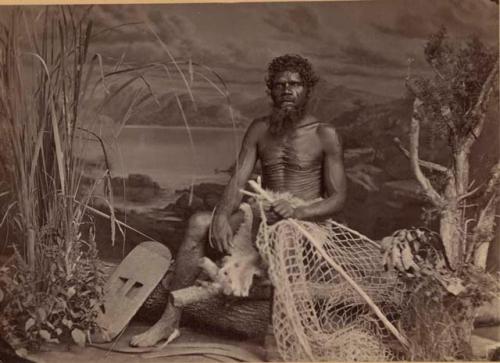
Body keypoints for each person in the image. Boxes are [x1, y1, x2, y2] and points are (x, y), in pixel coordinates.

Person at [130, 54, 347, 347]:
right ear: (270, 90)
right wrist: (221, 215)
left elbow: (338, 197)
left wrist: (299, 210)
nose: (287, 90)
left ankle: (277, 334)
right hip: (263, 218)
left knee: (283, 235)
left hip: (304, 224)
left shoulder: (325, 134)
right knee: (198, 223)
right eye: (280, 84)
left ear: (307, 90)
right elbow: (238, 179)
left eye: (294, 84)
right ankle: (169, 321)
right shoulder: (260, 129)